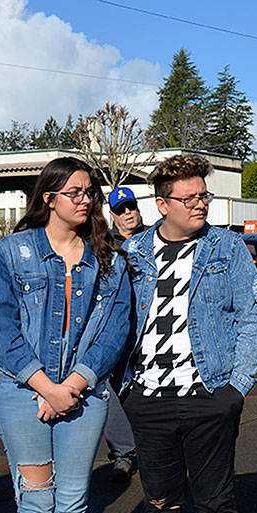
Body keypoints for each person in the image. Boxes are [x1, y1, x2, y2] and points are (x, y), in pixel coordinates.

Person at [112, 154, 257, 513]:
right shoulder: (132, 253)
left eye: (204, 195)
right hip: (148, 399)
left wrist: (233, 390)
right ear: (162, 204)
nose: (201, 204)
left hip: (208, 395)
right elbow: (112, 324)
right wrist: (126, 390)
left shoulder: (228, 248)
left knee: (216, 500)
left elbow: (253, 319)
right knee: (159, 502)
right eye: (190, 198)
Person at [0, 156, 130, 513]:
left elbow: (116, 328)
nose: (86, 199)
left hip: (83, 395)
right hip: (24, 393)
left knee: (72, 508)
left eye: (90, 191)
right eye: (74, 191)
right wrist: (46, 386)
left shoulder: (108, 256)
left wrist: (72, 384)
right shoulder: (14, 251)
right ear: (48, 197)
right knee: (36, 505)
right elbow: (2, 331)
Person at [102, 186, 143, 484]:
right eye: (122, 210)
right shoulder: (103, 245)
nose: (129, 213)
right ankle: (124, 453)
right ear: (113, 215)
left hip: (148, 327)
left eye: (132, 207)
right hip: (115, 327)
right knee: (108, 386)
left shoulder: (154, 239)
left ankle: (147, 445)